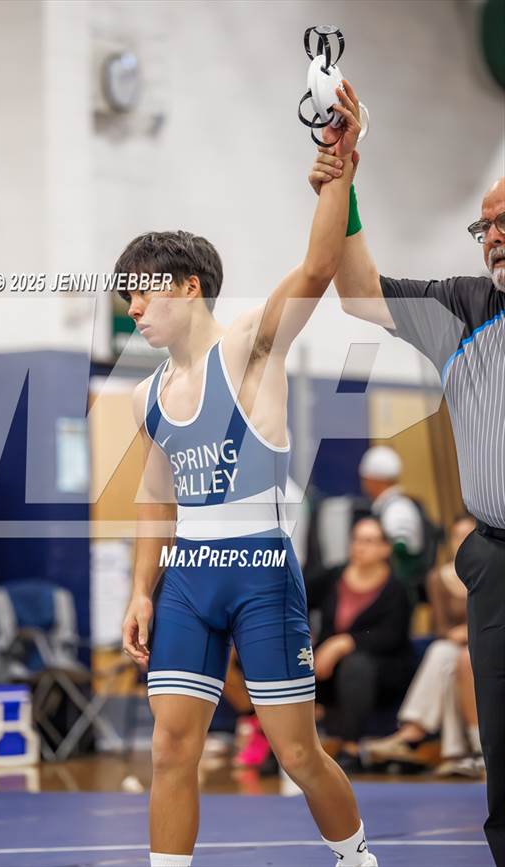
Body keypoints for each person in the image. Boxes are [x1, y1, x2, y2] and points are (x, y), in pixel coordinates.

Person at [121, 81, 378, 867]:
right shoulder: (146, 391)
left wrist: (339, 169)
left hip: (262, 569)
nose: (132, 308)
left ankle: (358, 856)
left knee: (297, 753)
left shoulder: (249, 346)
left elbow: (318, 264)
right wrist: (140, 587)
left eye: (142, 292)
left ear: (188, 285)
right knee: (171, 746)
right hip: (191, 577)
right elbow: (155, 499)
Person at [309, 149, 504, 863]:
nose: (493, 236)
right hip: (496, 558)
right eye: (483, 226)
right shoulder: (462, 306)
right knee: (502, 744)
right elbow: (358, 294)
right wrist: (344, 184)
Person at [362, 514, 482, 777]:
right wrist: (456, 635)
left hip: (486, 642)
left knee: (456, 657)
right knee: (448, 656)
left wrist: (472, 631)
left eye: (468, 536)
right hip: (456, 647)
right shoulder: (438, 577)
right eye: (456, 536)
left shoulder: (492, 572)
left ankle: (415, 736)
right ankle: (466, 753)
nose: (461, 542)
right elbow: (440, 628)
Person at [307, 517, 413, 773]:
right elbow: (298, 600)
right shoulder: (334, 575)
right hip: (329, 668)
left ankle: (351, 750)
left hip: (380, 670)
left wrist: (344, 643)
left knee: (356, 665)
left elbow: (391, 637)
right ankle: (274, 744)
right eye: (356, 540)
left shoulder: (396, 588)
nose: (359, 547)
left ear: (385, 549)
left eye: (368, 541)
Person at [358, 445, 438, 603]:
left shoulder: (397, 509)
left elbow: (401, 548)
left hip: (398, 592)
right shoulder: (389, 506)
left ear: (375, 479)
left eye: (365, 478)